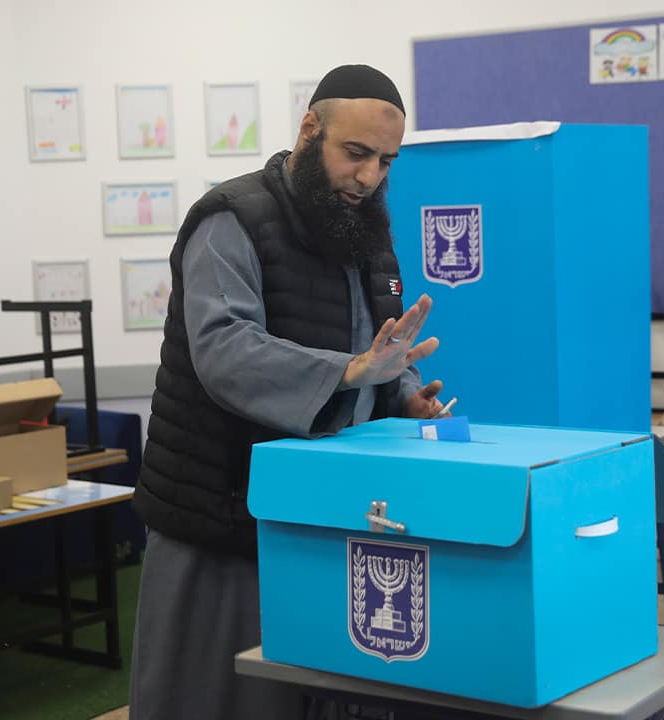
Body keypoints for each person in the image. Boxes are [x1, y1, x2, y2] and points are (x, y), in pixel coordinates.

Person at [129, 64, 449, 720]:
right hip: (221, 514)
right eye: (355, 154)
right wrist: (350, 374)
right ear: (309, 130)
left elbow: (382, 348)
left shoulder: (372, 235)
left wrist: (403, 393)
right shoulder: (230, 220)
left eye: (386, 162)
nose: (369, 177)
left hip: (325, 512)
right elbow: (225, 351)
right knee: (217, 697)